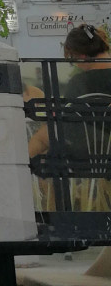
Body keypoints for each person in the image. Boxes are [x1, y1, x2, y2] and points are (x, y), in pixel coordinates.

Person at [29, 23, 111, 209]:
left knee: (39, 145)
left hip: (85, 151)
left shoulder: (79, 82)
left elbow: (68, 123)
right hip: (105, 150)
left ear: (80, 55)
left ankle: (48, 213)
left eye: (72, 60)